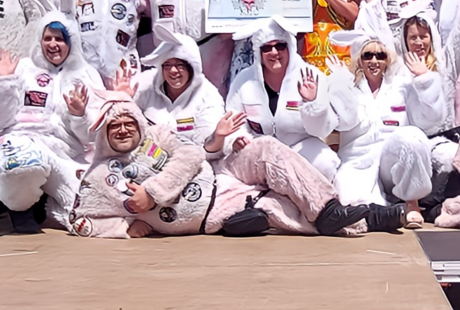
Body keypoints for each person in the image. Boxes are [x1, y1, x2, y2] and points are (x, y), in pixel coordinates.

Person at [69, 91, 369, 238]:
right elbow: (80, 221)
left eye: (128, 123)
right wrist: (124, 227)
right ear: (105, 135)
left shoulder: (157, 135)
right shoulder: (99, 176)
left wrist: (153, 192)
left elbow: (190, 154)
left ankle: (329, 209)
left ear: (138, 124)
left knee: (264, 147)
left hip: (219, 174)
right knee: (284, 209)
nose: (122, 130)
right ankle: (374, 219)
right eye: (114, 126)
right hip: (209, 211)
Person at [333, 26, 455, 231]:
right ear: (359, 60)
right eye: (368, 55)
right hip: (358, 162)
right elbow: (337, 123)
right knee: (351, 206)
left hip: (393, 162)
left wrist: (425, 80)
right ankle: (386, 214)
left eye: (380, 55)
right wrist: (338, 87)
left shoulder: (402, 86)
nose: (374, 61)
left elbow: (430, 120)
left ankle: (412, 202)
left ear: (387, 59)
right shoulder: (348, 87)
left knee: (413, 136)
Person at [0, 15, 101, 233]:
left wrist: (79, 115)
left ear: (71, 43)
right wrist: (3, 82)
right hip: (21, 142)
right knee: (25, 164)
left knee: (91, 209)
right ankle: (20, 207)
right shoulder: (22, 68)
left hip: (63, 154)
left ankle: (45, 202)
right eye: (47, 38)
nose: (53, 45)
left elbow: (90, 137)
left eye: (60, 39)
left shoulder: (87, 75)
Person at [223, 17, 361, 179]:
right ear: (258, 52)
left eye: (280, 46)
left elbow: (321, 130)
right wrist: (238, 139)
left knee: (326, 162)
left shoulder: (311, 76)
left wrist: (313, 104)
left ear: (290, 46)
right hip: (259, 150)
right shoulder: (243, 80)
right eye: (267, 48)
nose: (274, 52)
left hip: (300, 147)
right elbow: (233, 122)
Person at [132, 26, 226, 150]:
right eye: (167, 65)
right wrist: (124, 98)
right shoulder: (145, 83)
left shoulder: (209, 96)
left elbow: (206, 147)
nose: (173, 71)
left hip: (188, 159)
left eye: (180, 65)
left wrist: (217, 138)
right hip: (144, 155)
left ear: (193, 67)